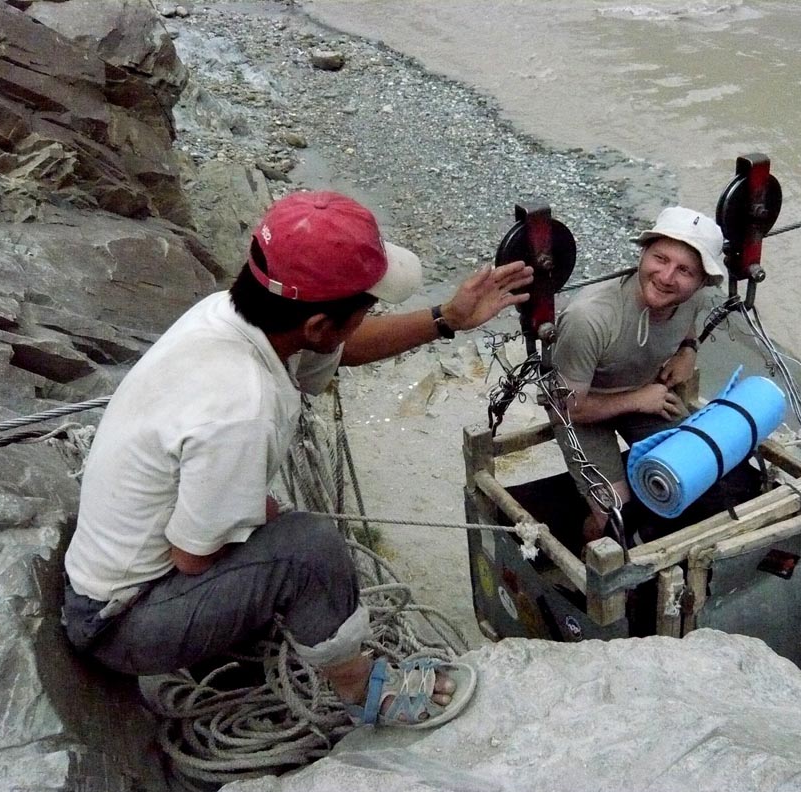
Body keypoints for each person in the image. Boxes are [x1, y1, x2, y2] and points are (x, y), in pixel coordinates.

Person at [61, 190, 532, 727]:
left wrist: (447, 318)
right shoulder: (242, 405)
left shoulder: (225, 316)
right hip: (120, 626)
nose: (370, 314)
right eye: (367, 307)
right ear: (316, 326)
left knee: (269, 531)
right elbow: (192, 559)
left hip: (111, 590)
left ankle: (244, 640)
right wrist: (266, 522)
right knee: (308, 549)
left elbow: (338, 349)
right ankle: (366, 694)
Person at [548, 206, 724, 546]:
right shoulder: (590, 319)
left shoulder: (692, 299)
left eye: (685, 270)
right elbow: (565, 409)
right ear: (643, 253)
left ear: (702, 281)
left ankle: (659, 540)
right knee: (614, 512)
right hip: (582, 409)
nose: (667, 277)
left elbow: (689, 317)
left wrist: (688, 349)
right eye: (660, 258)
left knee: (697, 469)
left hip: (645, 393)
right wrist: (639, 399)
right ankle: (589, 565)